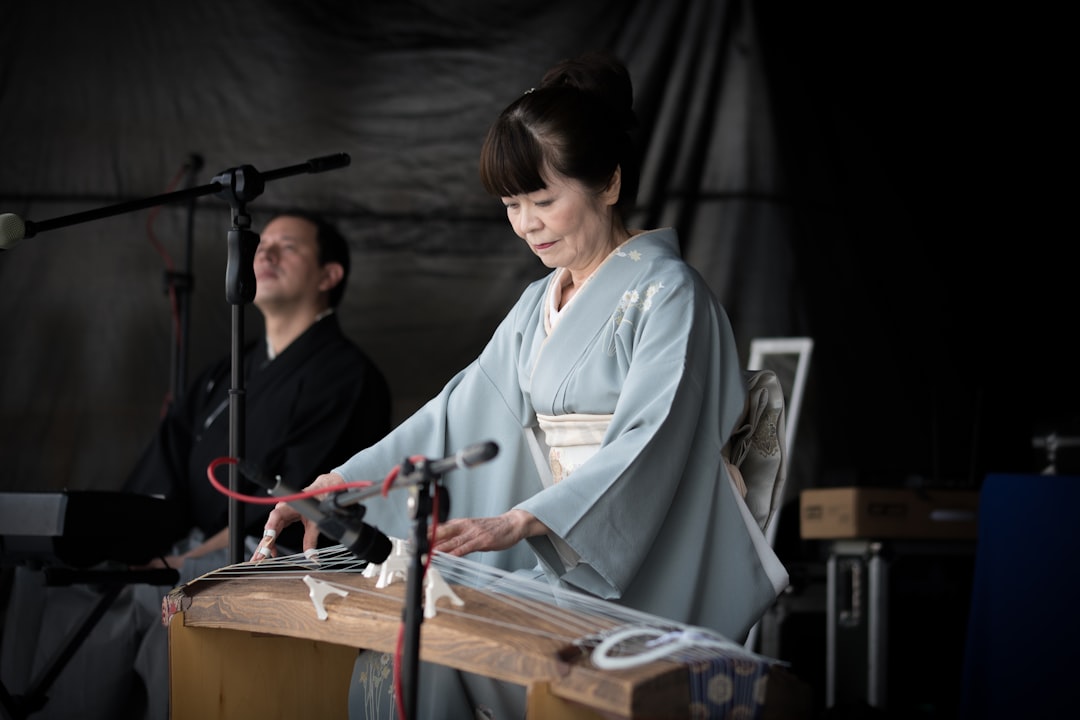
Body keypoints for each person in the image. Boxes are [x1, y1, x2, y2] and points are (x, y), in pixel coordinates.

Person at [257, 52, 787, 719]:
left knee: (440, 639)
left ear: (610, 183)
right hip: (562, 555)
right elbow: (457, 416)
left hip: (638, 566)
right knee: (424, 618)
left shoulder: (669, 294)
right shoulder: (540, 301)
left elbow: (655, 439)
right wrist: (342, 487)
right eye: (512, 203)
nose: (526, 223)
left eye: (543, 199)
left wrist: (524, 519)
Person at [0, 210, 392, 720]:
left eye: (287, 246)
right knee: (57, 594)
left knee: (163, 603)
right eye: (261, 244)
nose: (264, 254)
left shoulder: (344, 374)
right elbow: (165, 478)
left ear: (328, 275)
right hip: (187, 550)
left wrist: (176, 564)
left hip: (270, 558)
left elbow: (287, 504)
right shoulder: (224, 373)